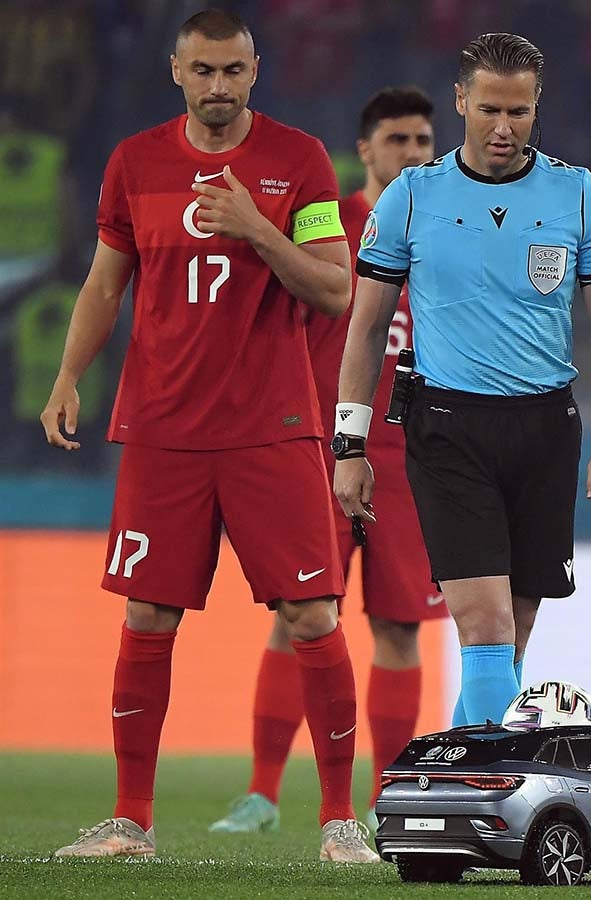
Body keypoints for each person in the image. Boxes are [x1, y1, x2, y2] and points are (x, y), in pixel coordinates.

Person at [40, 9, 377, 863]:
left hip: (272, 426)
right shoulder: (136, 163)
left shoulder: (297, 162)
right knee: (148, 614)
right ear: (176, 71)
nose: (219, 86)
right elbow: (105, 283)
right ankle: (129, 823)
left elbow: (336, 290)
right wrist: (68, 376)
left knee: (311, 612)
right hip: (162, 430)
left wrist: (257, 230)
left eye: (233, 70)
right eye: (203, 71)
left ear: (256, 70)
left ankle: (341, 821)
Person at [334, 33, 591, 728]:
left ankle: (469, 780)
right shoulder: (413, 196)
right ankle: (484, 789)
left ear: (537, 108)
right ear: (462, 100)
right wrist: (349, 445)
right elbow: (366, 326)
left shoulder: (577, 193)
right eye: (490, 110)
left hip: (545, 429)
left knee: (514, 635)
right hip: (448, 429)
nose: (504, 128)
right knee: (486, 625)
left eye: (520, 113)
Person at [207, 86, 445, 835]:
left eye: (423, 141)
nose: (413, 153)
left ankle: (389, 799)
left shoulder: (450, 229)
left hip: (412, 460)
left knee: (401, 628)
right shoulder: (327, 222)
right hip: (319, 447)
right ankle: (263, 793)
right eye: (398, 140)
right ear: (365, 150)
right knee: (299, 614)